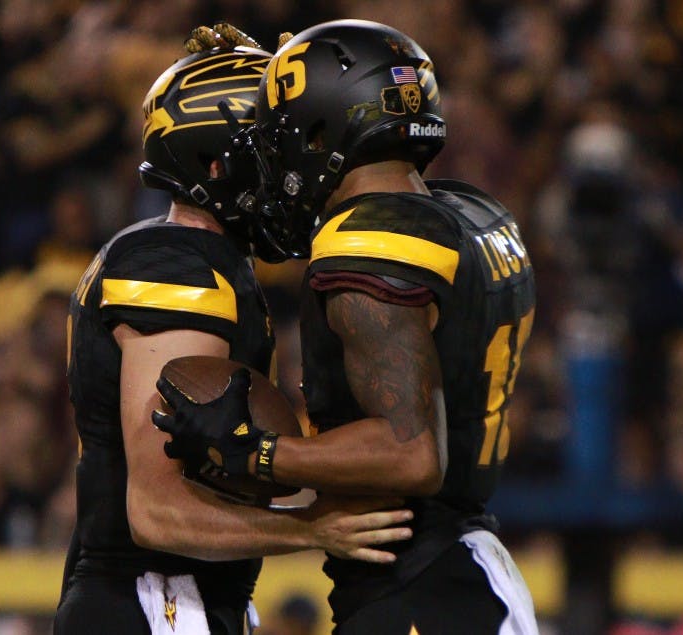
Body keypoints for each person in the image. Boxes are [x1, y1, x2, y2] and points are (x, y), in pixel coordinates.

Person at [154, 20, 539, 634]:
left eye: (281, 137)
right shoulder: (472, 213)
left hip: (421, 583)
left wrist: (260, 454)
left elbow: (410, 453)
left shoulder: (368, 240)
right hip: (464, 569)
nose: (274, 158)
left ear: (321, 129)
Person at [54, 25, 414, 635]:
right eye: (274, 153)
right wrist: (310, 529)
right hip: (156, 602)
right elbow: (157, 510)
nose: (292, 172)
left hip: (169, 599)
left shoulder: (194, 259)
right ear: (219, 164)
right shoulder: (176, 265)